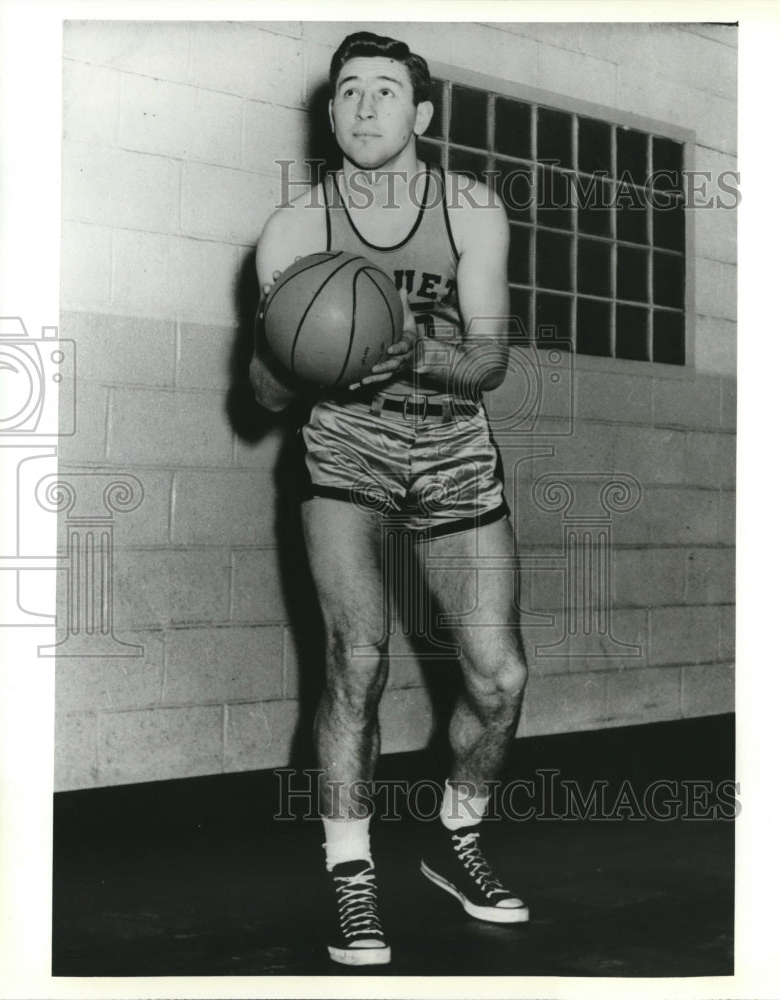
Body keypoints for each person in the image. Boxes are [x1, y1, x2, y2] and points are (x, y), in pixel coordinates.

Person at [250, 31, 530, 967]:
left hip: (451, 447)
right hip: (347, 454)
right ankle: (353, 876)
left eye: (384, 92)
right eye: (347, 93)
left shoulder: (471, 209)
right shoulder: (295, 230)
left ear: (419, 115)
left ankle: (457, 840)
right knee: (355, 658)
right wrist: (301, 351)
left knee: (499, 682)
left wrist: (414, 352)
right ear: (331, 116)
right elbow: (261, 397)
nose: (364, 106)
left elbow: (487, 360)